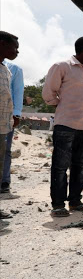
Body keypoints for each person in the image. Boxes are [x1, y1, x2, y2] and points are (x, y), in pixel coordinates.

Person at [42, 36, 83, 217]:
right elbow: (48, 93)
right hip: (66, 124)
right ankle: (58, 205)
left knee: (80, 165)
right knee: (60, 166)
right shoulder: (62, 66)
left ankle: (75, 202)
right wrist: (63, 106)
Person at [0, 31, 19, 219]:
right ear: (2, 44)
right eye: (15, 47)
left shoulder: (6, 70)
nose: (17, 52)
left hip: (3, 126)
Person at [1, 61, 24, 194]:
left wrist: (16, 114)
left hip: (6, 115)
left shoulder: (14, 69)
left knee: (5, 149)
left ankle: (4, 181)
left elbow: (18, 91)